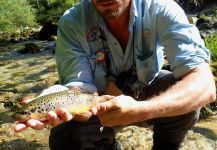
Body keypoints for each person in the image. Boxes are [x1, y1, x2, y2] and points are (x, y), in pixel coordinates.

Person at [15, 0, 216, 149]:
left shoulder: (160, 7)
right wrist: (60, 98)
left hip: (144, 93)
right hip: (96, 103)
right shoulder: (72, 22)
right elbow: (79, 86)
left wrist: (142, 110)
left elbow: (204, 85)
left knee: (186, 103)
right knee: (65, 136)